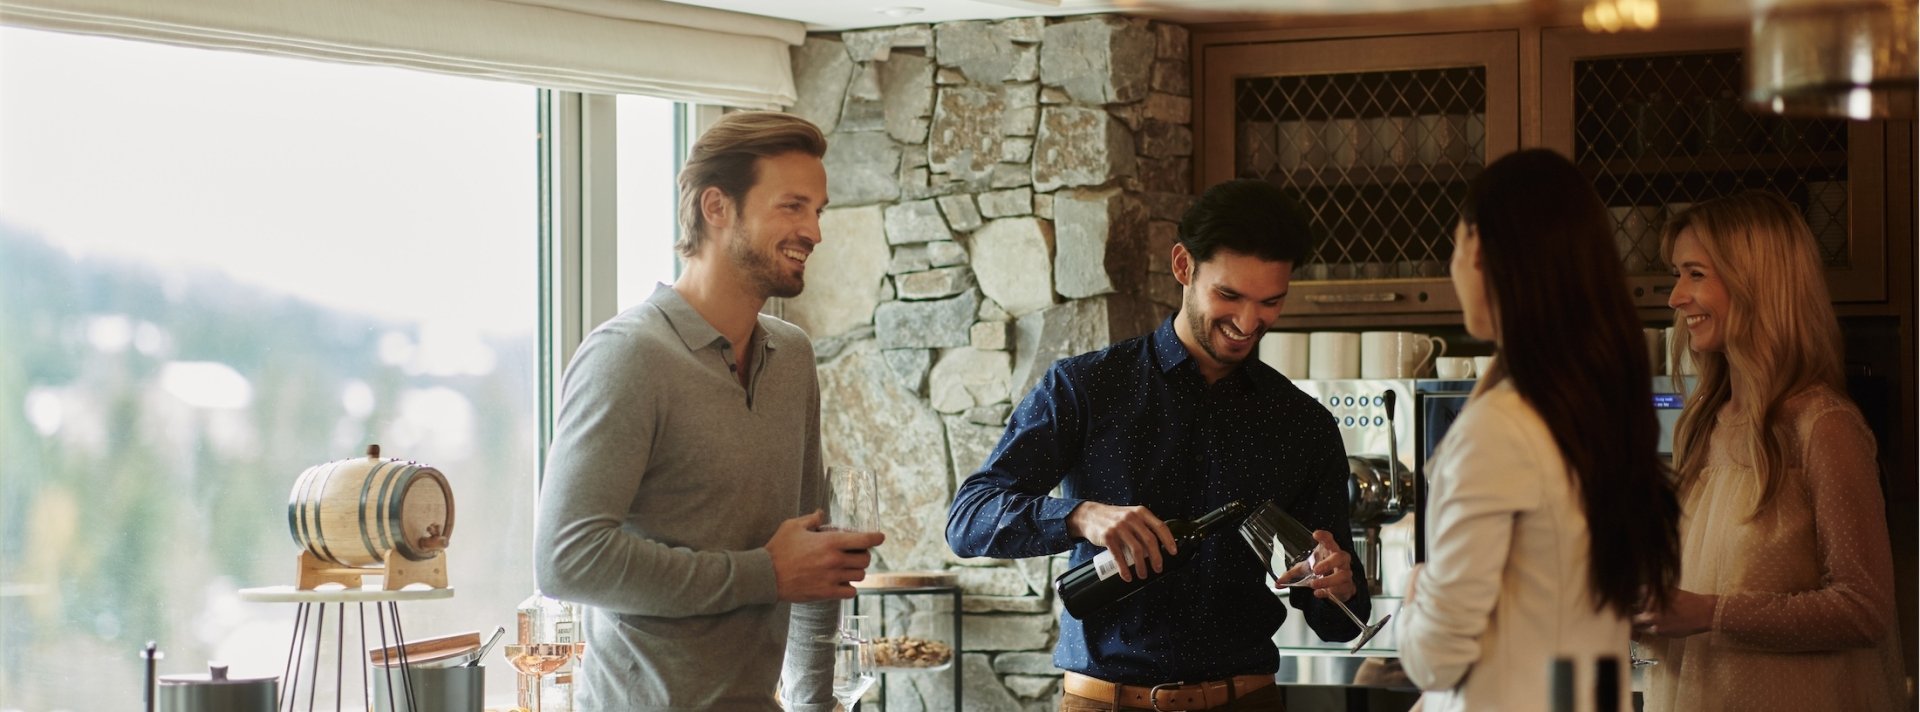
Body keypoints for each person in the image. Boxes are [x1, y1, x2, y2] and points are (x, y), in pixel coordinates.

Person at [946, 179, 1369, 712]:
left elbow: (1333, 621)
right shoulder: (1086, 386)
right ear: (1183, 267)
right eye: (1229, 295)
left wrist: (1340, 583)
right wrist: (1079, 517)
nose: (1247, 322)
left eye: (1271, 302)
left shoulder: (1302, 423)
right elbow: (968, 519)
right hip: (1105, 702)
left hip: (1246, 701)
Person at [533, 111, 884, 712]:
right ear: (716, 208)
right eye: (792, 206)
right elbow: (567, 561)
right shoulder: (629, 356)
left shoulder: (792, 356)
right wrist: (762, 574)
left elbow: (813, 556)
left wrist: (813, 704)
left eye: (817, 211)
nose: (814, 232)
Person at [1395, 148, 1681, 712]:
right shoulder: (1595, 412)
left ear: (1476, 247)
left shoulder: (1498, 430)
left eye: (1452, 246)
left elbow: (1436, 658)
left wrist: (1415, 590)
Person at [1636, 191, 1902, 711]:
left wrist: (1708, 614)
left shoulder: (1824, 427)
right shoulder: (1704, 424)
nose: (1674, 297)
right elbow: (1694, 588)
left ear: (1755, 282)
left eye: (1694, 274)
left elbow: (1864, 609)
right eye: (1677, 274)